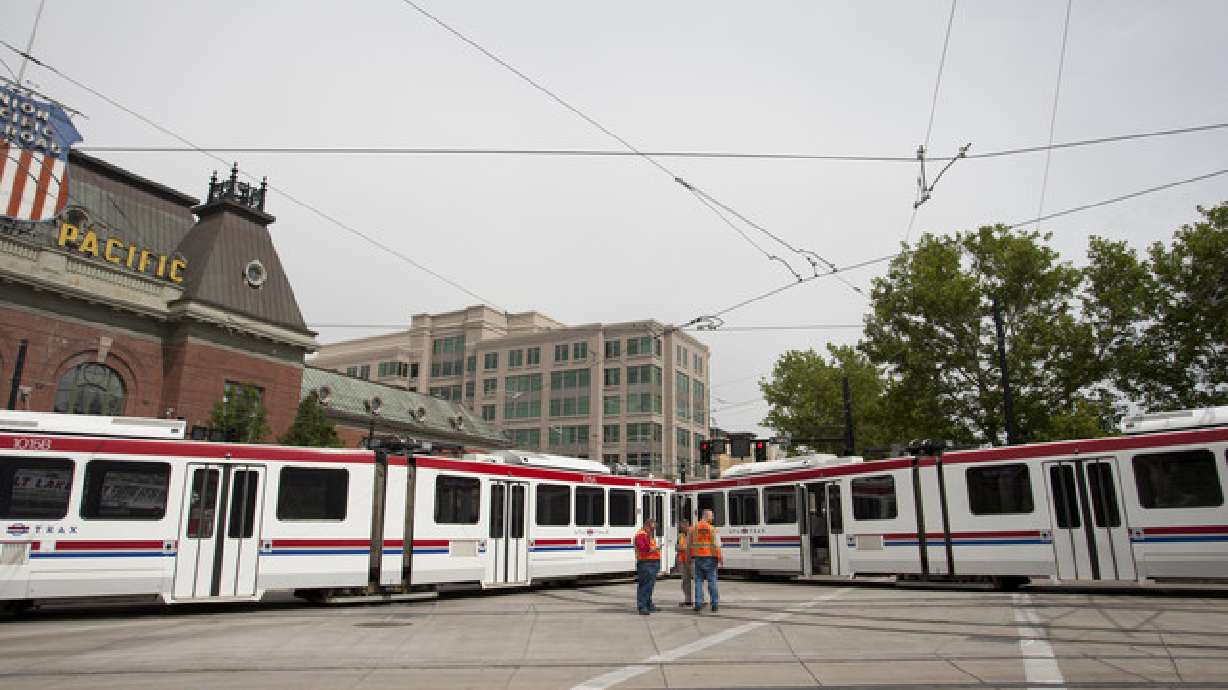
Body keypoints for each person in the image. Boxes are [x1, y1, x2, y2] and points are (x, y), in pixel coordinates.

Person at [689, 508, 723, 613]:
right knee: (712, 581)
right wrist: (720, 558)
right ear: (706, 516)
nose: (712, 518)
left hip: (698, 558)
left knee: (698, 581)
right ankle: (714, 604)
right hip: (711, 558)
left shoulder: (693, 529)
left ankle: (698, 603)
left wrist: (689, 557)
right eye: (711, 516)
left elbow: (689, 544)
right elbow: (717, 545)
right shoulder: (713, 529)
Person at [634, 517, 661, 615]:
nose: (653, 530)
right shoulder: (641, 535)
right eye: (652, 528)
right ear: (647, 526)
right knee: (645, 586)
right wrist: (655, 549)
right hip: (646, 563)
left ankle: (648, 604)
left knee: (649, 585)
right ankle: (643, 606)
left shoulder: (646, 534)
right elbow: (643, 548)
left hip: (651, 563)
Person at [675, 518, 693, 607]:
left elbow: (693, 547)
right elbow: (677, 547)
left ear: (686, 525)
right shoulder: (680, 536)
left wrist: (683, 548)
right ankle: (688, 600)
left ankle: (699, 600)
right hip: (682, 561)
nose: (679, 528)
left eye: (681, 526)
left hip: (692, 561)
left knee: (697, 581)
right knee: (685, 581)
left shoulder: (693, 534)